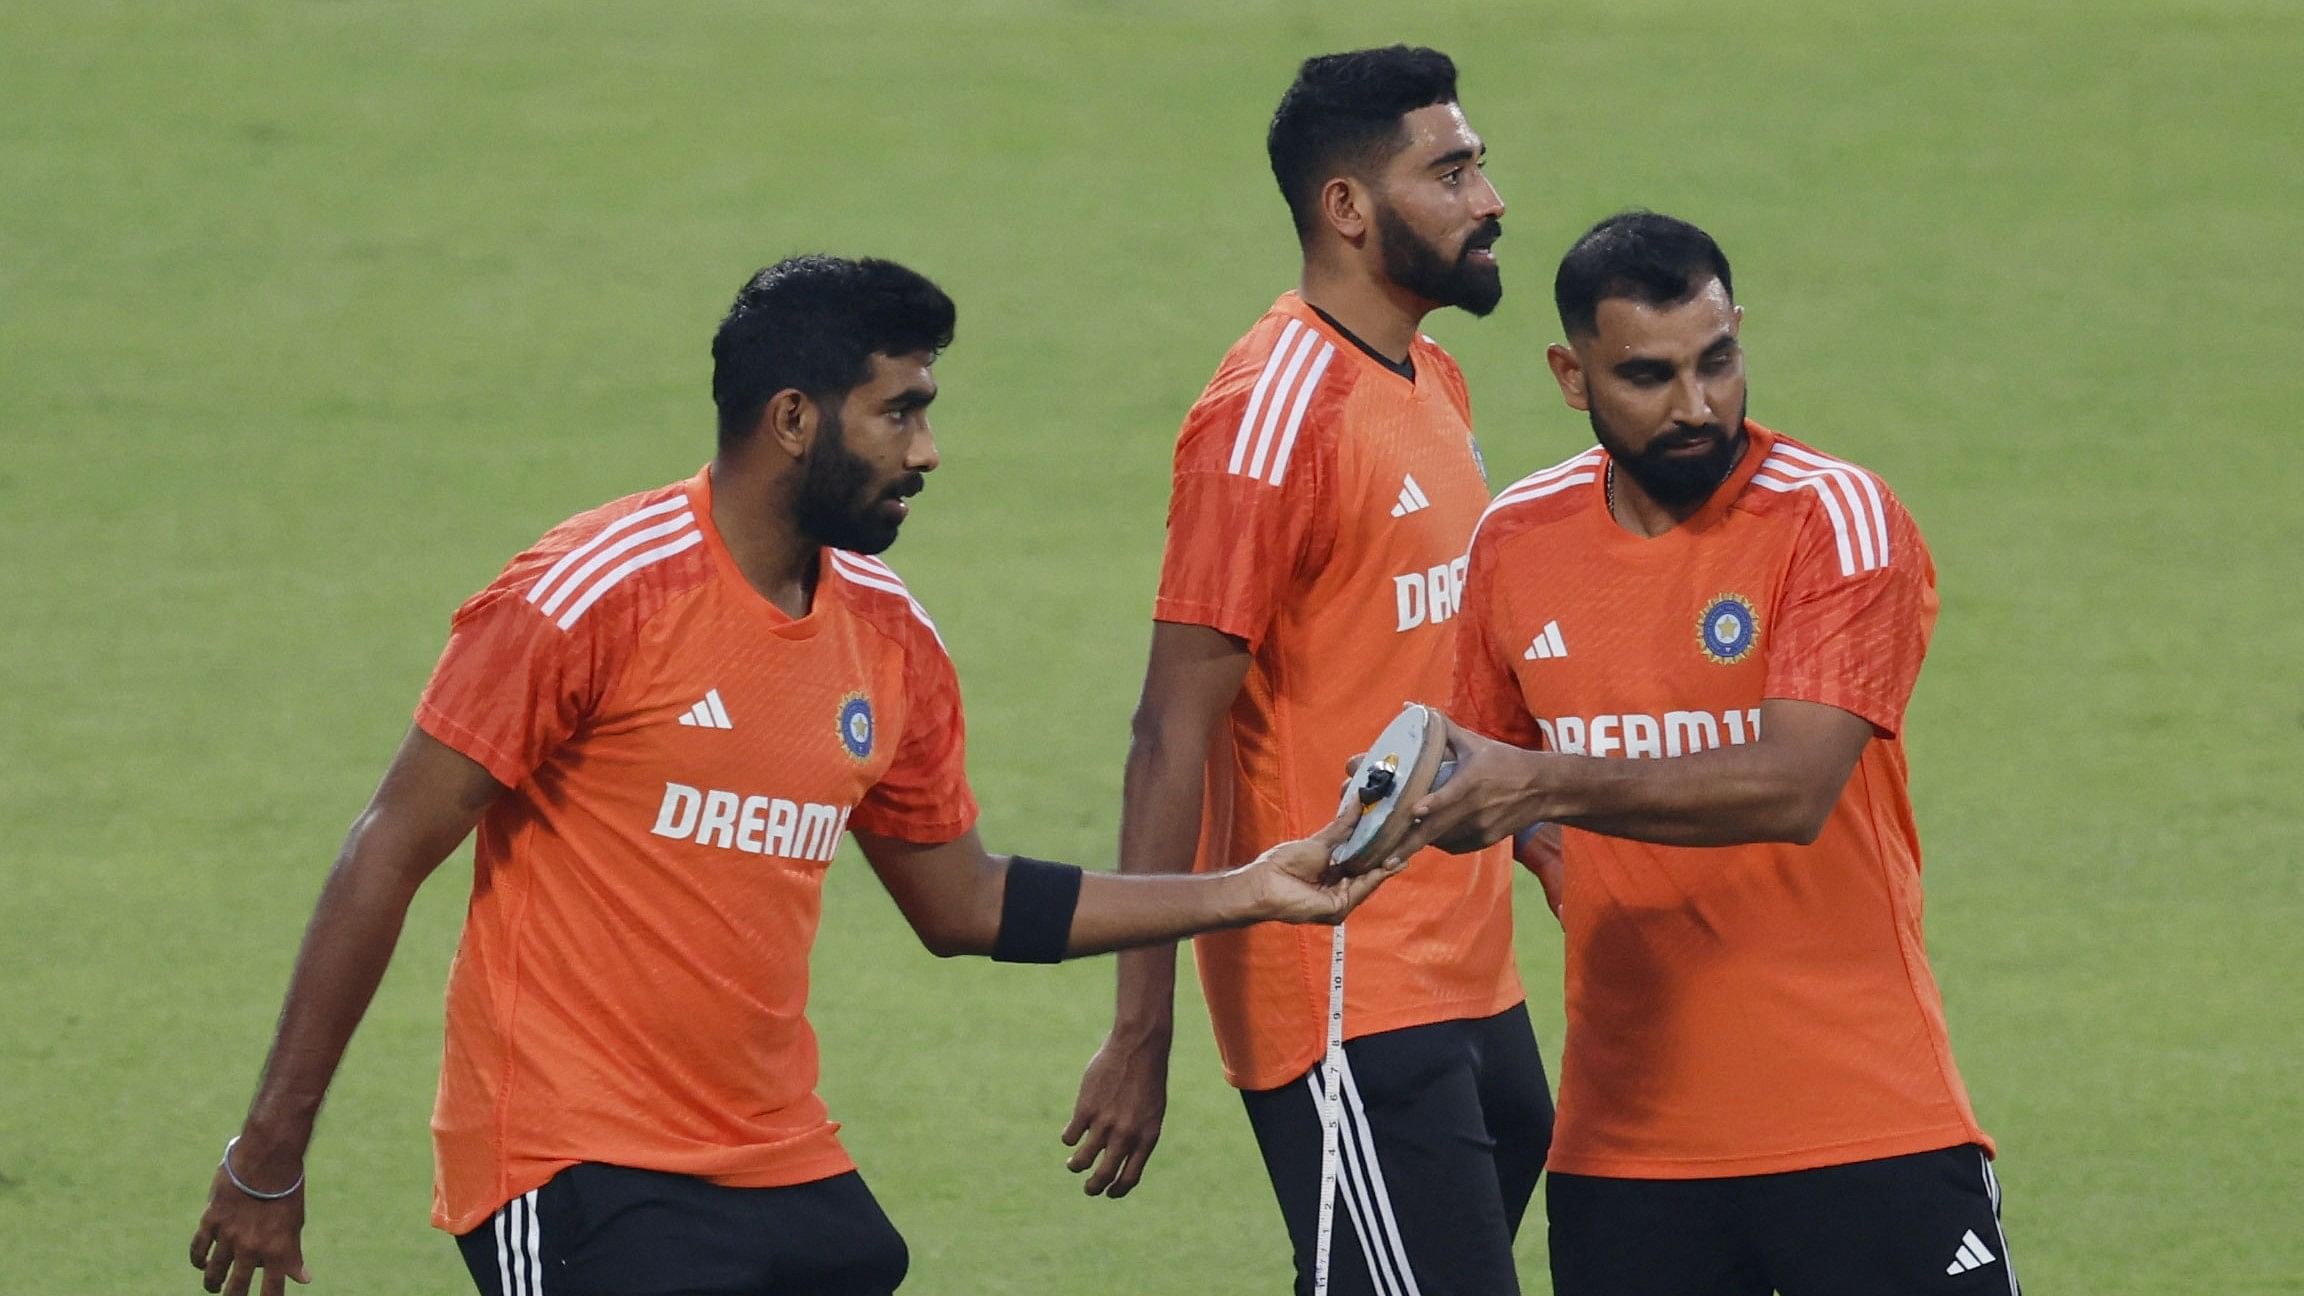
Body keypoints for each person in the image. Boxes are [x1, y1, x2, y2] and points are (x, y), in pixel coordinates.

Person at [186, 254, 1396, 1296]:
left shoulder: (889, 632)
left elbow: (962, 902)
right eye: (899, 413)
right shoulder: (590, 597)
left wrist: (1246, 887)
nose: (930, 449)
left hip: (780, 1161)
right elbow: (386, 851)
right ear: (793, 420)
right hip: (571, 1161)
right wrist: (269, 1153)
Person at [1389, 211, 2017, 1294]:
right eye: (1648, 374)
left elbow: (1791, 785)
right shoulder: (1518, 537)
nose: (1697, 406)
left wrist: (1540, 783)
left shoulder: (1836, 522)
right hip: (1627, 1150)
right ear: (1571, 375)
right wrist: (1535, 836)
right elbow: (1484, 760)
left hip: (1866, 1125)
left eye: (1717, 361)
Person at [1060, 46, 1552, 1296]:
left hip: (1467, 967)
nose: (1490, 198)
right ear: (1346, 208)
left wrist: (1546, 822)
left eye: (1479, 162)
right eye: (1450, 171)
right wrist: (1141, 1028)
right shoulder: (1268, 413)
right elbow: (1171, 730)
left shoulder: (1429, 378)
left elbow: (1438, 656)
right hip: (1341, 981)